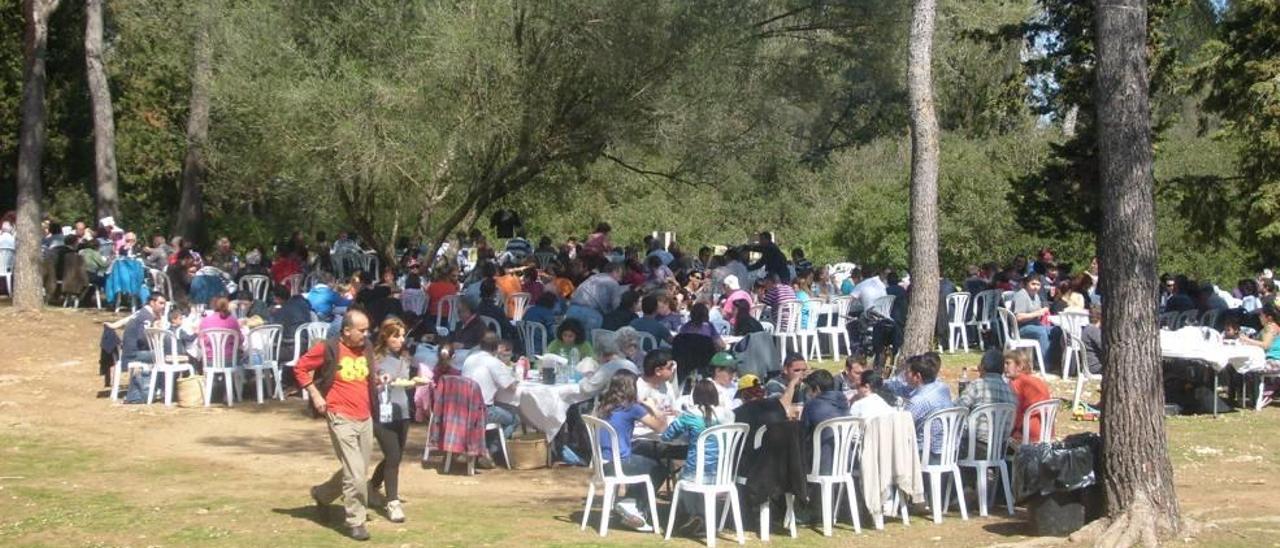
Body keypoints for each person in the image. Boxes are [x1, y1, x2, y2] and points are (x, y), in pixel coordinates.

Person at [297, 309, 375, 541]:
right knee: (356, 474)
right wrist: (315, 394)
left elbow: (366, 375)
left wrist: (378, 380)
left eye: (367, 329)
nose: (366, 334)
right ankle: (356, 521)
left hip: (365, 416)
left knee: (357, 469)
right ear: (347, 330)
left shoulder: (366, 347)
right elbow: (300, 368)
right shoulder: (328, 347)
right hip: (340, 416)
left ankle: (322, 494)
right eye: (361, 330)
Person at [594, 370, 668, 531]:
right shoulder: (631, 407)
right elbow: (662, 427)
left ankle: (631, 503)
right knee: (660, 468)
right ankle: (631, 504)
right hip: (617, 464)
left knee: (644, 459)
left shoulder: (603, 405)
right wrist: (653, 407)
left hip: (602, 462)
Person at [369, 318, 414, 523]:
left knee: (394, 457)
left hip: (402, 411)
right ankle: (392, 502)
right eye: (396, 336)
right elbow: (375, 378)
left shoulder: (404, 358)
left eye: (403, 335)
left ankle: (372, 486)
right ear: (385, 337)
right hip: (382, 413)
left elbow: (404, 382)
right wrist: (381, 379)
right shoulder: (376, 358)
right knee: (393, 455)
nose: (401, 340)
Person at [461, 332, 520, 467]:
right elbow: (511, 387)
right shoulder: (493, 362)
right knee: (514, 418)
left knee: (500, 411)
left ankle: (485, 447)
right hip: (483, 411)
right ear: (496, 347)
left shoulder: (469, 358)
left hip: (463, 409)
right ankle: (491, 451)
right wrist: (517, 378)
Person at [889, 353, 952, 460]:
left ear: (917, 376)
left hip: (927, 454)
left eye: (907, 372)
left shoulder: (919, 401)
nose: (904, 375)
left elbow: (900, 426)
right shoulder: (943, 388)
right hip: (949, 450)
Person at [956, 349, 1016, 447]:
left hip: (973, 448)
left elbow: (957, 410)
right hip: (999, 449)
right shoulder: (1010, 391)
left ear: (982, 367)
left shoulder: (977, 385)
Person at [800, 370, 850, 474]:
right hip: (845, 461)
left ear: (817, 389)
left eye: (809, 390)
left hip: (821, 462)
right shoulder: (843, 401)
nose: (808, 394)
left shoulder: (812, 405)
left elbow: (802, 433)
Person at [1006, 349, 1051, 443]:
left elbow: (1016, 414)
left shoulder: (1017, 383)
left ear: (1019, 366)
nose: (1004, 367)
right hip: (1047, 432)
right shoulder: (1038, 381)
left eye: (1008, 363)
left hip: (1028, 433)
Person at [566, 262, 624, 333]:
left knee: (569, 340)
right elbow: (616, 306)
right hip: (591, 314)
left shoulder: (593, 277)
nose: (620, 279)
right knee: (589, 342)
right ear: (615, 271)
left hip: (572, 310)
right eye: (620, 275)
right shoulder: (613, 283)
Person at [1011, 274, 1053, 370]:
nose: (1035, 287)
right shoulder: (1021, 295)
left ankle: (1054, 360)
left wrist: (1042, 313)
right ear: (1026, 284)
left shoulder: (1036, 296)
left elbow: (1038, 315)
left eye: (1038, 284)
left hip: (1034, 325)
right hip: (1021, 328)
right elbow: (1018, 317)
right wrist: (1038, 313)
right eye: (1033, 284)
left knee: (1055, 330)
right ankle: (1045, 364)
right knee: (1042, 332)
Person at [578, 333, 640, 397]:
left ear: (600, 354)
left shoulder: (607, 368)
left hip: (616, 402)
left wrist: (585, 377)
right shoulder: (630, 364)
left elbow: (587, 389)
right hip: (633, 399)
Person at [198, 296, 242, 365]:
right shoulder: (233, 321)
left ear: (212, 306)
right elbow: (240, 341)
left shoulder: (204, 321)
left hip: (210, 361)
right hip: (229, 360)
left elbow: (200, 343)